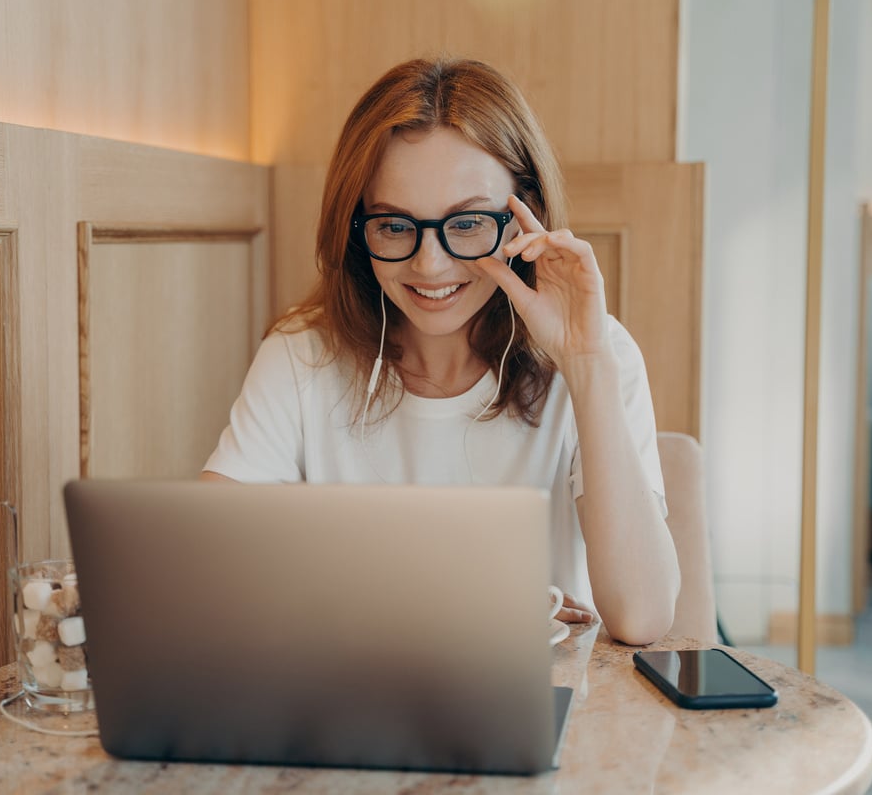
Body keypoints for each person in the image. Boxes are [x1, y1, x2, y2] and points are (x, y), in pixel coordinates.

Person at [201, 58, 679, 645]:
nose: (431, 266)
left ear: (524, 216)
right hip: (354, 706)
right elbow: (207, 571)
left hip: (549, 710)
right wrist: (471, 606)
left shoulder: (600, 354)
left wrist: (586, 366)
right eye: (396, 226)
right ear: (357, 229)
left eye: (469, 222)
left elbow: (643, 616)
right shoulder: (302, 356)